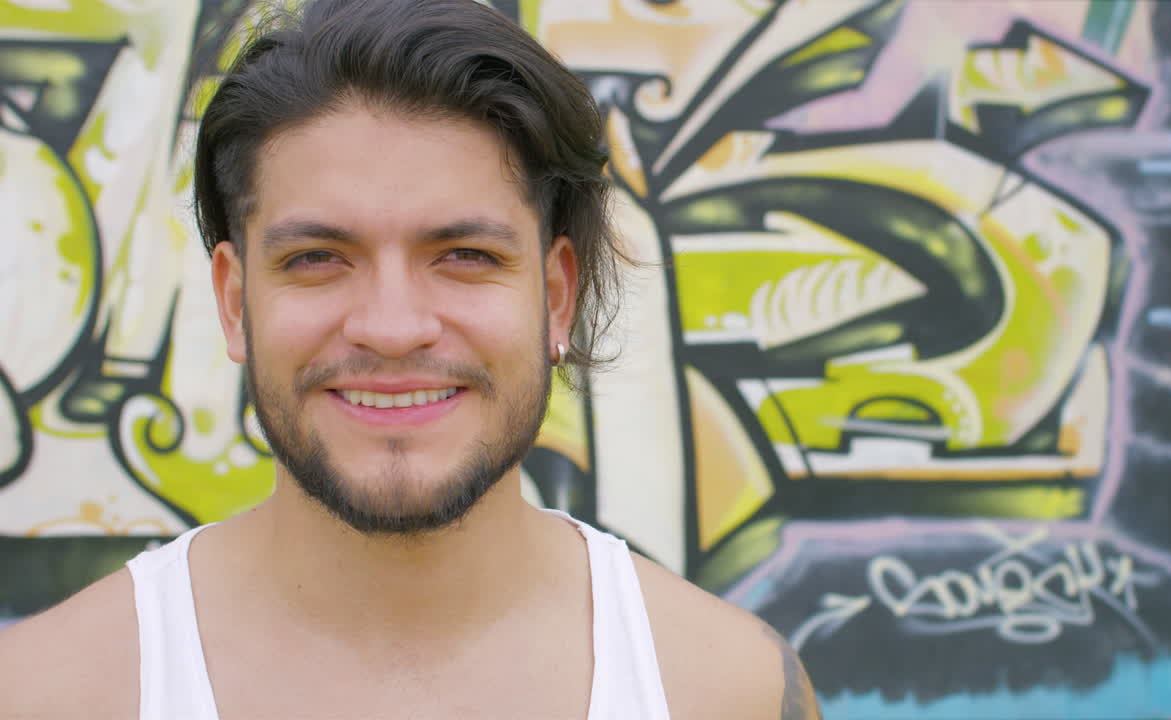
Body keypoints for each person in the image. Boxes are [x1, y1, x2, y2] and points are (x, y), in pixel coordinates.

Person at [0, 1, 822, 717]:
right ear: (234, 302)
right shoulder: (46, 695)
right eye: (317, 258)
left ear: (555, 296)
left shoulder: (727, 690)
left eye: (464, 255)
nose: (392, 329)